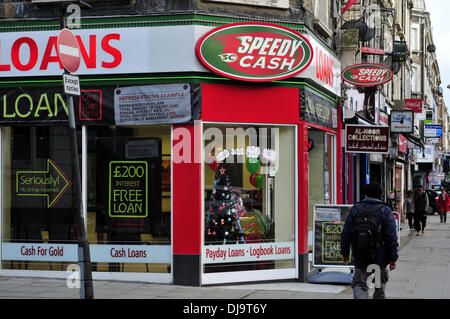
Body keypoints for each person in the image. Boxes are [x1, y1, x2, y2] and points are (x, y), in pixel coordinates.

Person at [341, 182, 399, 299]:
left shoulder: (355, 209)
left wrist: (345, 253)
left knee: (360, 284)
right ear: (380, 195)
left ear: (365, 195)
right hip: (379, 258)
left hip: (360, 256)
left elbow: (346, 233)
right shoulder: (385, 210)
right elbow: (391, 237)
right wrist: (393, 257)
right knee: (378, 287)